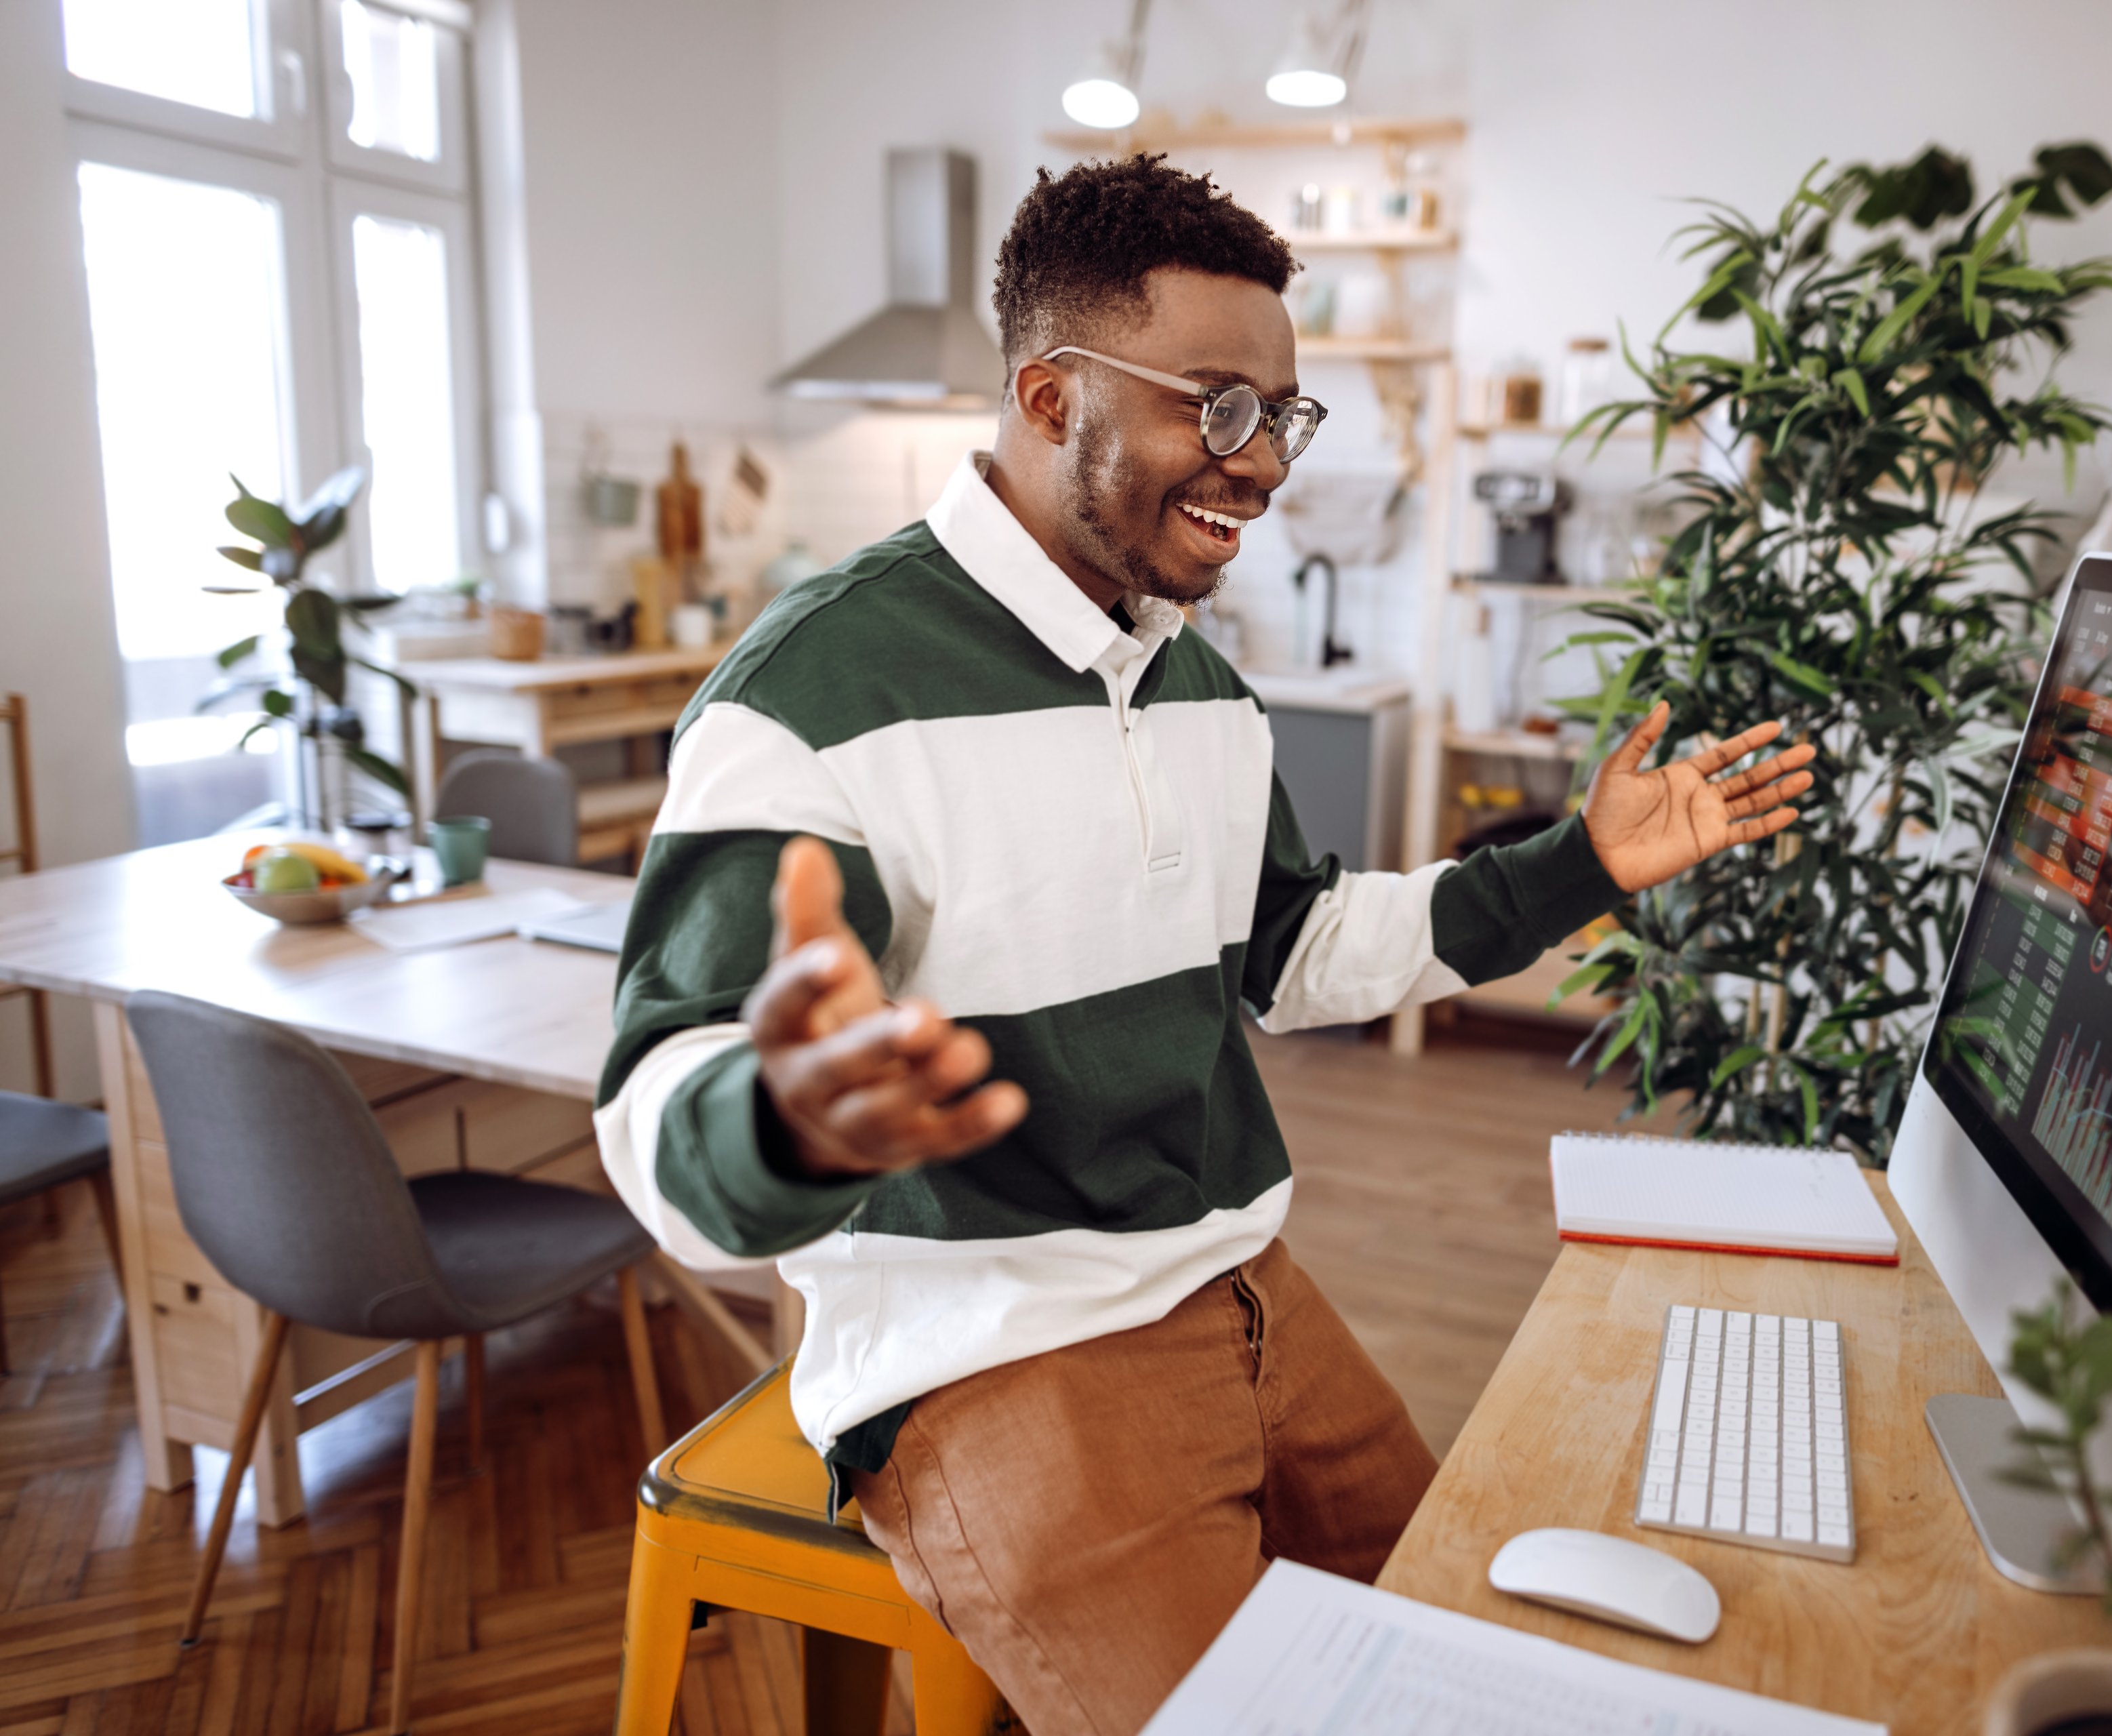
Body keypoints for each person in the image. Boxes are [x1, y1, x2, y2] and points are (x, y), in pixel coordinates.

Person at [595, 155, 1815, 1734]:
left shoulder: (1193, 685)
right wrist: (781, 1120)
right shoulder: (816, 694)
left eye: (1282, 417)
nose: (1261, 465)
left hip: (1238, 1287)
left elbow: (1297, 952)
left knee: (1474, 1682)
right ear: (1050, 397)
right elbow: (654, 1099)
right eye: (1217, 408)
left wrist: (1579, 865)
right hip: (1000, 1353)